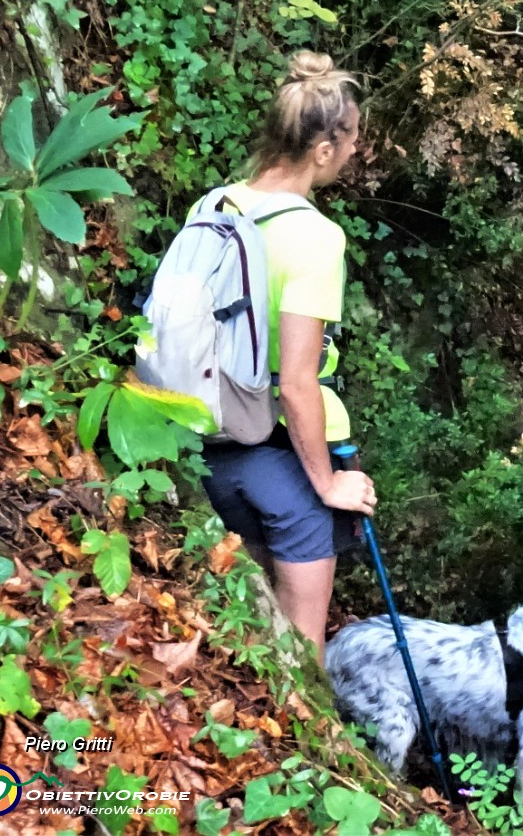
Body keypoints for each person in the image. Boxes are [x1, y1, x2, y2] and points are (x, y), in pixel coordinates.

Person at [199, 51, 376, 664]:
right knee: (302, 653)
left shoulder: (215, 206)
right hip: (267, 454)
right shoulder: (316, 239)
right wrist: (329, 484)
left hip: (194, 440)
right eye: (351, 138)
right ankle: (306, 740)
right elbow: (297, 383)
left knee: (247, 616)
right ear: (323, 148)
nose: (355, 152)